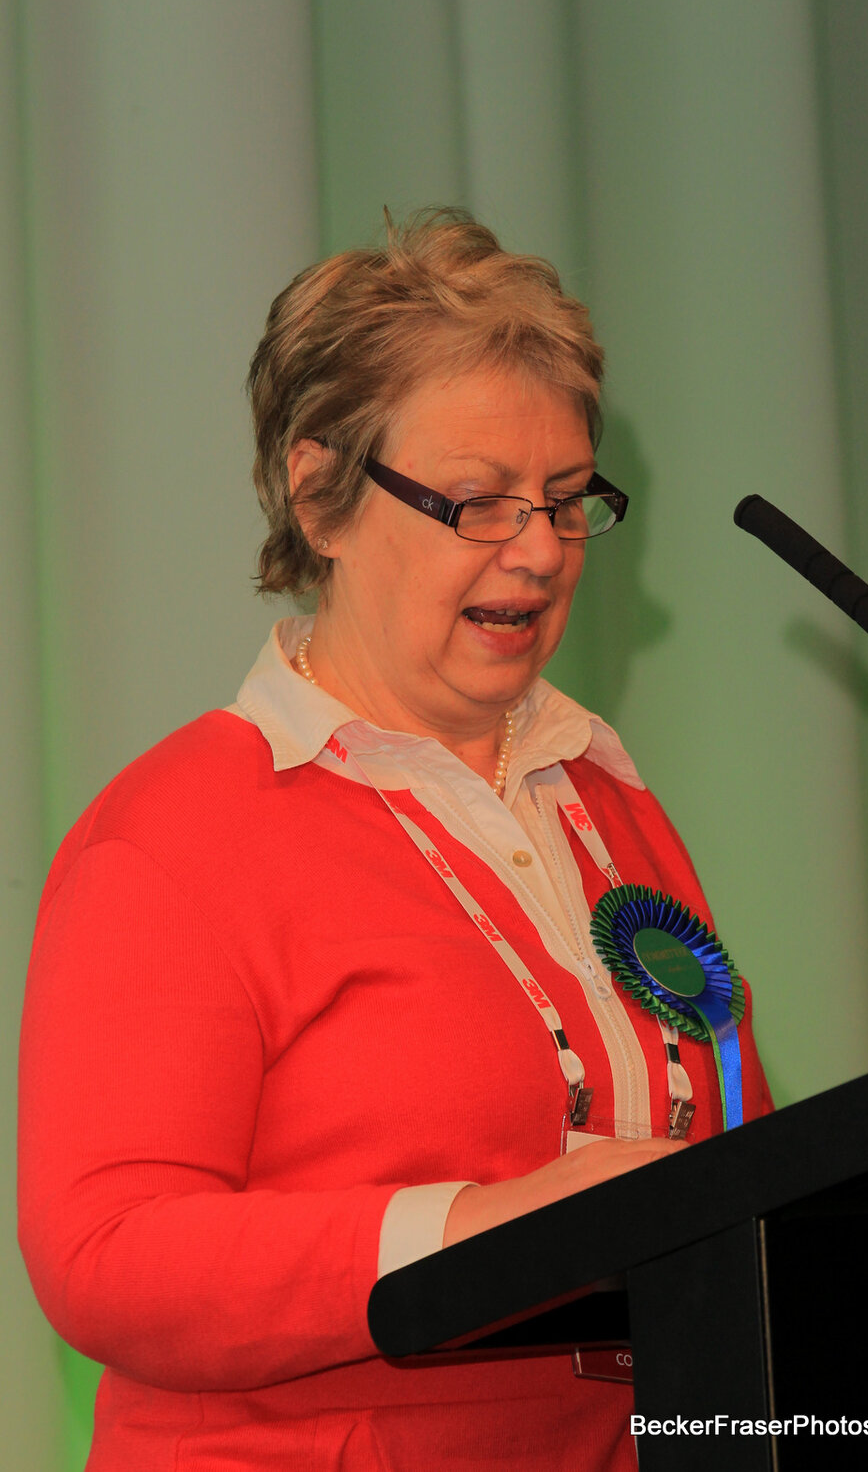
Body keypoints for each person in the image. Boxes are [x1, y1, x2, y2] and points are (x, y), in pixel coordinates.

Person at [19, 210, 772, 1471]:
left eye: (566, 500)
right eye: (478, 503)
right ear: (319, 493)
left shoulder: (604, 797)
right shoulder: (174, 834)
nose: (539, 550)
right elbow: (108, 1253)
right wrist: (479, 1227)